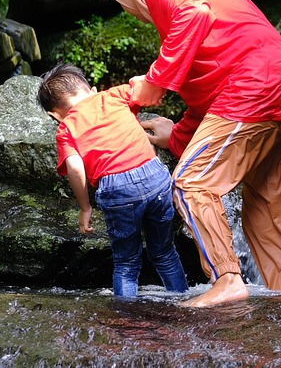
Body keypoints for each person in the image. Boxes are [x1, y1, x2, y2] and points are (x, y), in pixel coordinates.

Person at [104, 0, 281, 308]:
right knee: (264, 213)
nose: (129, 8)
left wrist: (155, 81)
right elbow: (209, 104)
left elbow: (193, 14)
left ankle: (226, 279)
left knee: (191, 183)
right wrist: (174, 137)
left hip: (258, 87)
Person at [36, 62, 189, 298]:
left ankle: (126, 320)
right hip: (155, 176)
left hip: (117, 189)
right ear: (93, 90)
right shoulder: (114, 95)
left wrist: (85, 207)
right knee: (165, 252)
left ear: (54, 114)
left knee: (127, 263)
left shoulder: (66, 128)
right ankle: (183, 301)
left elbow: (76, 168)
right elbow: (144, 85)